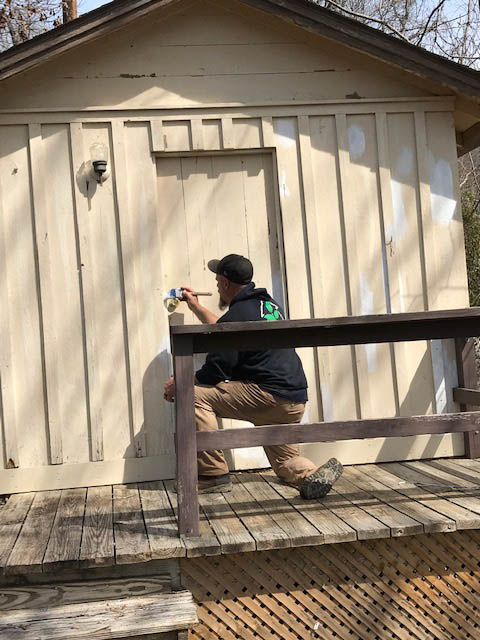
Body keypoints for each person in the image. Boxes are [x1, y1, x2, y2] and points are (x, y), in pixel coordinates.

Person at [163, 254, 343, 499]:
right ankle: (311, 474)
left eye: (217, 281)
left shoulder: (237, 315)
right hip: (293, 400)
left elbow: (215, 370)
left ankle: (212, 475)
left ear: (225, 283)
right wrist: (196, 307)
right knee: (285, 461)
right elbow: (226, 329)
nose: (217, 287)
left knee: (191, 395)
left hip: (266, 396)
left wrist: (181, 383)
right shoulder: (268, 307)